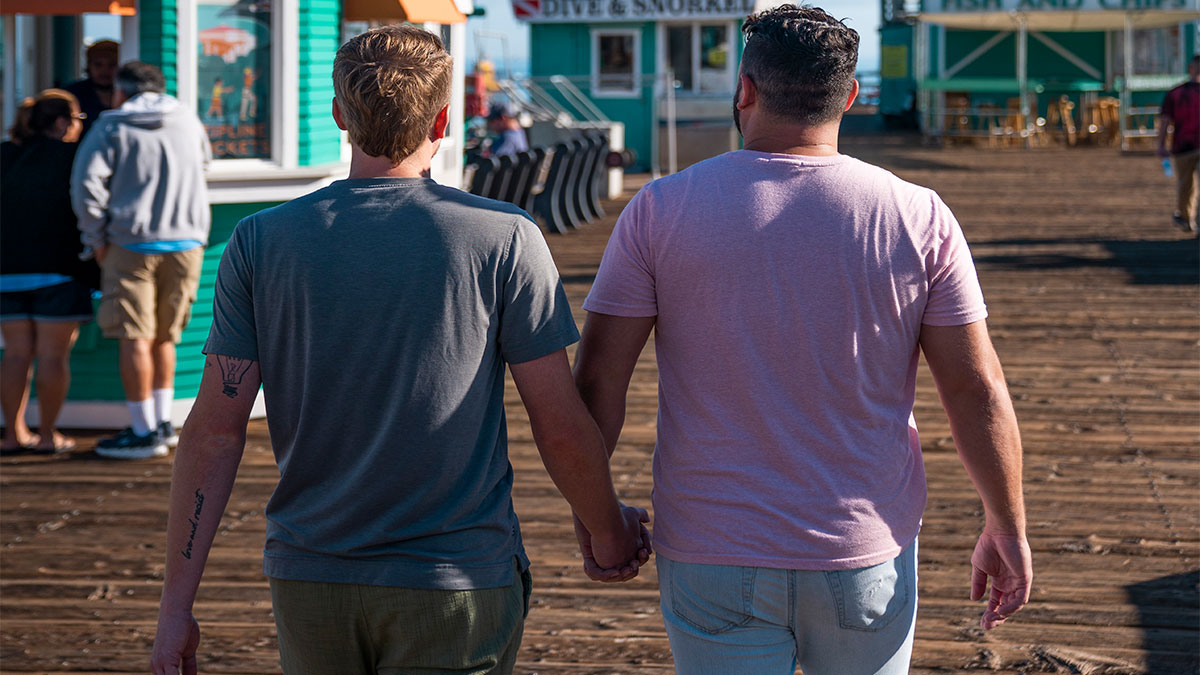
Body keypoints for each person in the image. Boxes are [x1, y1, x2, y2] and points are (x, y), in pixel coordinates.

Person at [150, 25, 649, 674]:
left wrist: (174, 606)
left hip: (311, 579)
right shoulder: (504, 238)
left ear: (338, 115)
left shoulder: (260, 241)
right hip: (456, 581)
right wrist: (608, 534)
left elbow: (214, 432)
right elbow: (557, 425)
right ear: (444, 118)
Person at [573, 6, 1032, 674]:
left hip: (712, 552)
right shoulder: (918, 214)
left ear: (745, 92)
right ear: (850, 97)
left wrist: (600, 519)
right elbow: (974, 388)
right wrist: (1006, 526)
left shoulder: (660, 208)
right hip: (862, 552)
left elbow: (597, 385)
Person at [70, 61, 212, 460]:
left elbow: (86, 185)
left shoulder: (112, 126)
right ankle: (162, 423)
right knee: (166, 336)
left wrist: (94, 239)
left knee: (134, 336)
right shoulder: (188, 121)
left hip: (130, 243)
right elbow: (204, 167)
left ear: (121, 91)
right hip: (186, 243)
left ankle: (141, 429)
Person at [1, 90, 96, 455]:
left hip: (6, 270)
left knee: (15, 354)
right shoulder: (74, 157)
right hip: (59, 270)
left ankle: (12, 434)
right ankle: (47, 435)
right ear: (61, 123)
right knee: (53, 356)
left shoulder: (5, 154)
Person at [1157, 54, 1200, 234]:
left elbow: (1165, 122)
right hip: (1190, 145)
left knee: (1185, 185)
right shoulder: (1175, 94)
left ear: (1190, 68)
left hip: (1183, 146)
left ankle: (1185, 217)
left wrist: (1161, 145)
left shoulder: (1175, 94)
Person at [64, 40, 119, 138]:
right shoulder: (73, 94)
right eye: (98, 64)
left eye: (112, 65)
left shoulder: (128, 93)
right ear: (89, 66)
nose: (105, 70)